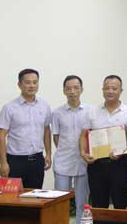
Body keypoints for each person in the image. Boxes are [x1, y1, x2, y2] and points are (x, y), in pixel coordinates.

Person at [79, 74, 127, 209]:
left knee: (120, 203)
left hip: (119, 163)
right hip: (96, 164)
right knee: (98, 204)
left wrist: (121, 152)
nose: (110, 91)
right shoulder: (92, 111)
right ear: (102, 90)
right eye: (107, 88)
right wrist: (83, 153)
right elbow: (84, 135)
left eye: (114, 88)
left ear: (121, 90)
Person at [0, 68, 52, 189]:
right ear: (19, 84)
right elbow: (1, 136)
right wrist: (3, 162)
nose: (32, 85)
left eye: (35, 82)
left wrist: (48, 154)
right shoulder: (9, 108)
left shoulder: (44, 106)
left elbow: (47, 130)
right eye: (27, 82)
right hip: (15, 161)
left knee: (35, 195)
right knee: (12, 196)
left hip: (37, 160)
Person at [52, 75, 89, 224]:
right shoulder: (57, 113)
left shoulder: (90, 111)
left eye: (76, 88)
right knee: (60, 202)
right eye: (68, 88)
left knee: (82, 203)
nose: (72, 91)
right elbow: (56, 137)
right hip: (63, 162)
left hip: (83, 163)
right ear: (64, 91)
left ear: (82, 89)